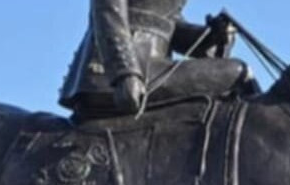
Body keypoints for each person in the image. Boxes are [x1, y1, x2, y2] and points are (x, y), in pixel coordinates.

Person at [60, 0, 258, 119]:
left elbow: (166, 28)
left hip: (154, 68)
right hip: (111, 73)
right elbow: (107, 10)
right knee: (238, 73)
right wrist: (125, 71)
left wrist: (212, 37)